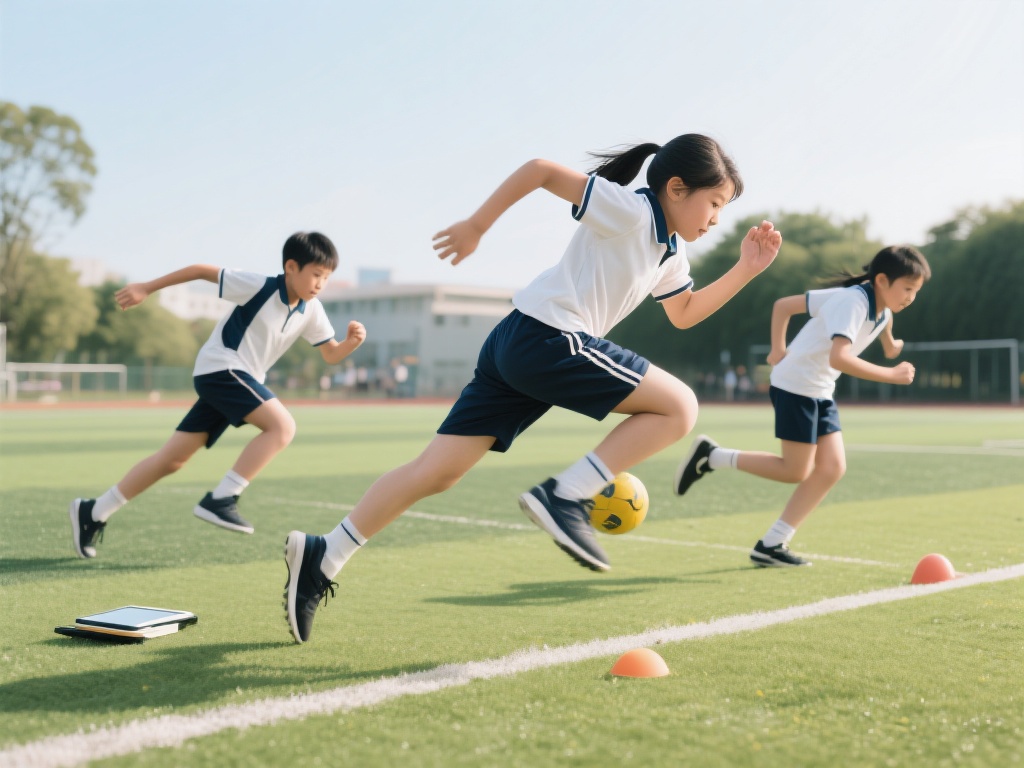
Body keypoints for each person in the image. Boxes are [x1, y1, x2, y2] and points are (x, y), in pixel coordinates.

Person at [282, 134, 783, 643]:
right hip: (548, 338)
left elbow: (685, 313)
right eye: (714, 203)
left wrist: (747, 269)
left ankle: (326, 553)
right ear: (676, 189)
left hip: (518, 342)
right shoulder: (630, 210)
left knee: (436, 472)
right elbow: (541, 170)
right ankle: (565, 494)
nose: (716, 218)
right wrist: (477, 226)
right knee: (680, 407)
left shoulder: (670, 252)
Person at [69, 232, 367, 558]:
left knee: (172, 459)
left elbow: (330, 354)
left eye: (326, 277)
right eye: (316, 274)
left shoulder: (312, 310)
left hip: (236, 380)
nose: (320, 284)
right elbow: (199, 270)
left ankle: (93, 511)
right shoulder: (259, 286)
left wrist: (350, 343)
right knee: (282, 427)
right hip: (221, 368)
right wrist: (146, 288)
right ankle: (223, 498)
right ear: (291, 267)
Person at [673, 245, 931, 567]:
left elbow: (785, 306)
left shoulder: (879, 307)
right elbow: (839, 357)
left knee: (832, 468)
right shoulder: (852, 302)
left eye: (915, 291)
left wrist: (890, 344)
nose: (911, 297)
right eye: (907, 289)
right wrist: (890, 374)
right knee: (795, 471)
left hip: (819, 389)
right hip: (796, 386)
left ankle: (772, 544)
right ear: (881, 280)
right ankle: (712, 456)